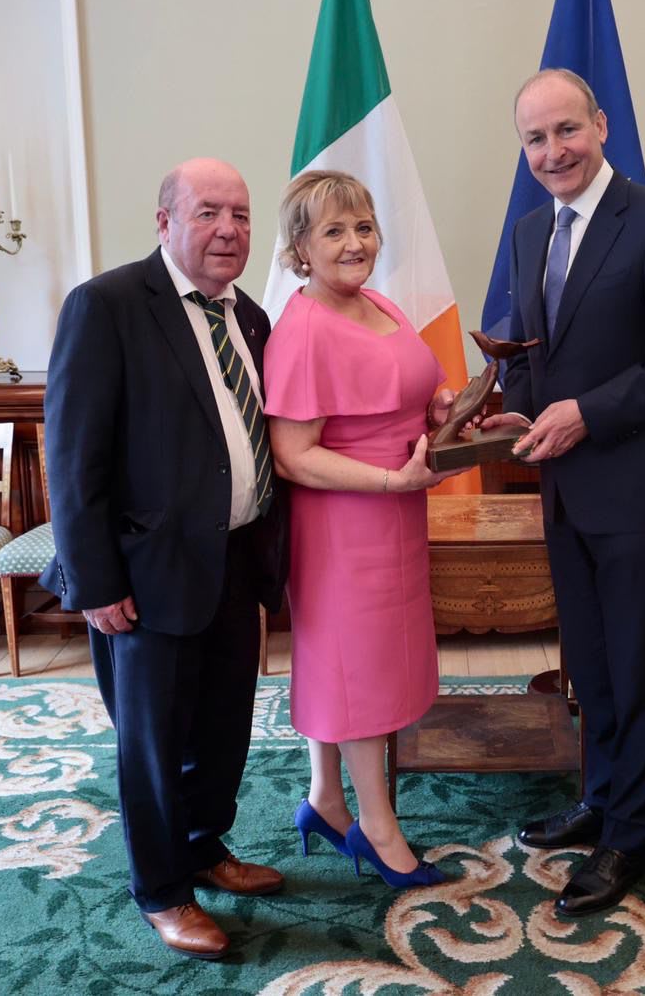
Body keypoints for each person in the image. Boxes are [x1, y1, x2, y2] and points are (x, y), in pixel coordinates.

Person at [482, 69, 645, 915]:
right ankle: (600, 797)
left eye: (566, 131)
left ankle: (630, 836)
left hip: (638, 488)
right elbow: (535, 359)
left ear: (602, 125)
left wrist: (585, 413)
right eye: (535, 139)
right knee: (590, 665)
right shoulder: (526, 231)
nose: (553, 152)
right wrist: (503, 414)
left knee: (637, 666)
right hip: (565, 491)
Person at [41, 158, 289, 960]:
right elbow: (73, 458)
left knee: (222, 728)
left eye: (242, 216)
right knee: (151, 740)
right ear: (164, 221)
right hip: (144, 577)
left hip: (234, 564)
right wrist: (95, 580)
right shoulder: (108, 306)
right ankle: (162, 889)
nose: (228, 230)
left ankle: (204, 846)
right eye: (209, 212)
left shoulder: (251, 317)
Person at [264, 169, 468, 889]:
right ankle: (380, 835)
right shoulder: (302, 328)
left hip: (397, 513)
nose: (356, 244)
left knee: (348, 660)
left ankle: (325, 800)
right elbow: (293, 455)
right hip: (345, 524)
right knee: (358, 671)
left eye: (364, 227)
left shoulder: (378, 302)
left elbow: (401, 390)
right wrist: (389, 481)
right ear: (299, 248)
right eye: (334, 231)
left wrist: (443, 407)